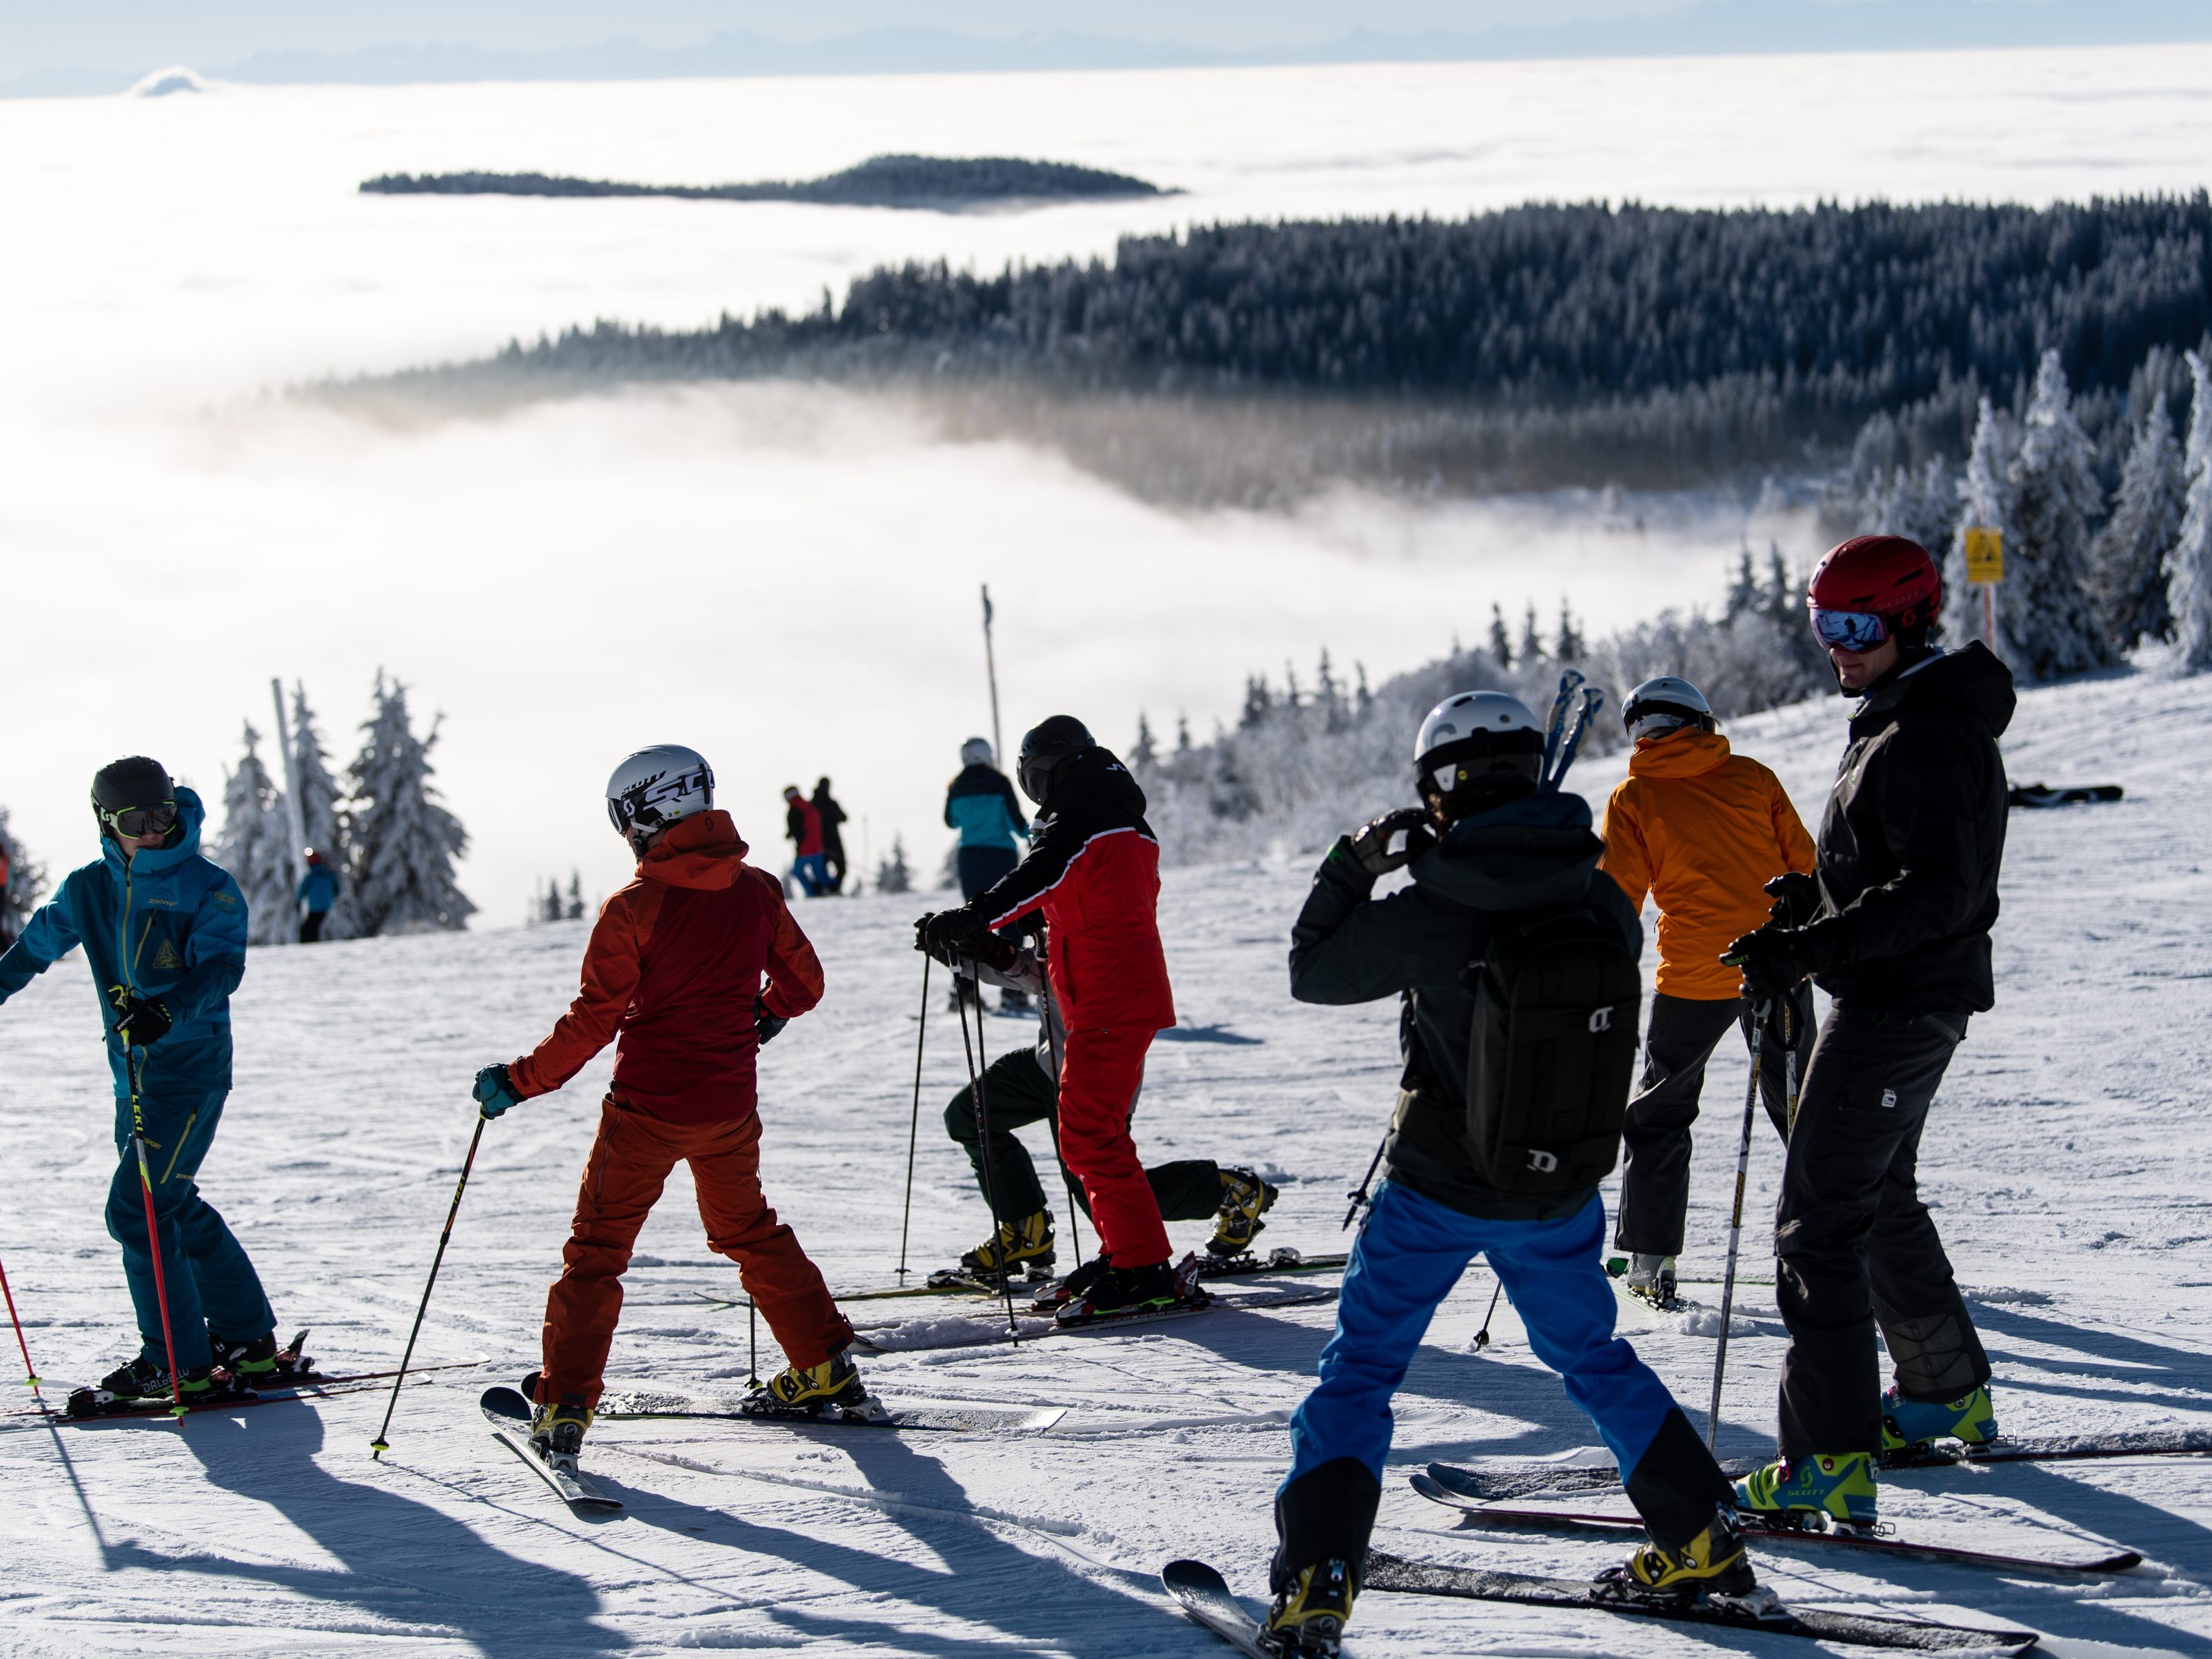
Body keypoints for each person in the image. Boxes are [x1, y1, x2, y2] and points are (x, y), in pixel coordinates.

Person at [1264, 692, 1751, 1656]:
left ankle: (1317, 1579)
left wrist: (1351, 863)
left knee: (1359, 1372)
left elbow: (1309, 969)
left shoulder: (1435, 904)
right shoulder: (1603, 894)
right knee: (1593, 1358)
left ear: (1441, 789)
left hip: (1435, 1190)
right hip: (1555, 1186)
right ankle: (1701, 1538)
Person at [1722, 535, 2011, 1526]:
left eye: (1855, 628)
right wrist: (1808, 902)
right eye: (1821, 628)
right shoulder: (1899, 714)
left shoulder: (1928, 729)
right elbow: (1890, 864)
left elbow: (1937, 889)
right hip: (1897, 991)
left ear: (1906, 622)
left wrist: (1811, 949)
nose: (1836, 648)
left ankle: (1829, 1458)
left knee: (1815, 1219)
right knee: (1876, 1195)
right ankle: (1939, 1389)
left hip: (1896, 1003)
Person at [472, 745, 858, 1471]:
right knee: (748, 1228)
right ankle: (824, 1361)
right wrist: (768, 1010)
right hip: (728, 1110)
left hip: (645, 1111)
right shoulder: (758, 889)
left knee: (597, 1251)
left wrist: (520, 1080)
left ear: (644, 815)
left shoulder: (634, 908)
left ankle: (563, 1405)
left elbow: (593, 1021)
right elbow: (804, 983)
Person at [0, 757, 299, 1404]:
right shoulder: (87, 889)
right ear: (107, 823)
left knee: (137, 1208)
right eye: (138, 821)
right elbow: (31, 951)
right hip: (130, 1079)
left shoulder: (207, 886)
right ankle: (248, 1341)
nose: (155, 831)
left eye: (164, 816)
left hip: (190, 1069)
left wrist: (167, 1010)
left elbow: (221, 966)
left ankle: (175, 1362)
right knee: (169, 1203)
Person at [919, 717, 1196, 1325]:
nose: (1033, 791)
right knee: (1085, 1134)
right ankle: (1128, 1255)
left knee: (1090, 1135)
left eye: (1034, 778)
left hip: (1110, 1001)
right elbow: (1047, 932)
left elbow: (1037, 874)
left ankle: (1143, 1267)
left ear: (1050, 770)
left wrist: (976, 914)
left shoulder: (1088, 820)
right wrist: (975, 944)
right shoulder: (1095, 818)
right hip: (1096, 1000)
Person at [1597, 675, 1816, 1309]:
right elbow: (1804, 867)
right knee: (1806, 1108)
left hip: (1694, 975)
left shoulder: (1633, 796)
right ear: (1702, 721)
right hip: (1777, 963)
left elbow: (1617, 901)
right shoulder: (1752, 777)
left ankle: (1649, 1255)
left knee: (1661, 1110)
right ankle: (1858, 1238)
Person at [933, 946, 1276, 1282]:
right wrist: (969, 954)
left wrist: (992, 954)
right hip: (1047, 1060)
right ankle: (1025, 1232)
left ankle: (1227, 1190)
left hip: (1097, 1071)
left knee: (1100, 1186)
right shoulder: (1054, 910)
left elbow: (1071, 977)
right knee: (972, 1116)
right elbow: (1039, 970)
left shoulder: (1098, 915)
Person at [942, 737, 1030, 1013]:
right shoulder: (999, 782)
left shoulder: (956, 786)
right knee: (1011, 917)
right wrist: (1031, 836)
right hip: (999, 855)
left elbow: (951, 821)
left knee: (973, 920)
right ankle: (1013, 988)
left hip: (970, 857)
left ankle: (964, 989)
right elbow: (1016, 821)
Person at [783, 786, 828, 897]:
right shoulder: (810, 807)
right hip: (818, 846)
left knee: (798, 871)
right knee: (819, 872)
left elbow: (797, 829)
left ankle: (813, 893)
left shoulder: (794, 810)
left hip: (805, 848)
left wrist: (790, 834)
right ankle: (832, 888)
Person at [810, 778, 848, 895]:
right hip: (828, 841)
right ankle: (830, 890)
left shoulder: (814, 803)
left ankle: (829, 890)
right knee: (836, 867)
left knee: (825, 869)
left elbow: (844, 818)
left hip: (823, 841)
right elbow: (843, 818)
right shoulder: (826, 803)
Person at [296, 847, 342, 943]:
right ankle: (313, 943)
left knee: (308, 929)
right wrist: (334, 896)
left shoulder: (311, 877)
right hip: (327, 906)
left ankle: (309, 945)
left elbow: (302, 890)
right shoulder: (328, 875)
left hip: (315, 907)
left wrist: (298, 902)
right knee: (315, 926)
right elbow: (337, 888)